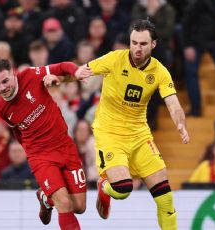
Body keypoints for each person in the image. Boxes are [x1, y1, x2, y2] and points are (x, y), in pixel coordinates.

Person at [73, 20, 189, 229]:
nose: (137, 48)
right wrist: (55, 77)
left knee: (166, 200)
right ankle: (104, 186)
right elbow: (82, 71)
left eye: (143, 44)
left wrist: (180, 124)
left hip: (139, 135)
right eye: (134, 42)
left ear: (153, 45)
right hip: (110, 133)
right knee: (123, 189)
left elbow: (173, 103)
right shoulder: (114, 59)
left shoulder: (160, 71)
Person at [0, 58, 92, 229]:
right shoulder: (2, 108)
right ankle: (52, 195)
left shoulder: (30, 75)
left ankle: (45, 198)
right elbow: (17, 131)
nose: (1, 88)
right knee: (64, 204)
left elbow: (61, 67)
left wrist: (76, 72)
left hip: (65, 146)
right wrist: (31, 153)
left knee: (79, 207)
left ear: (14, 74)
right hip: (40, 156)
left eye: (5, 81)